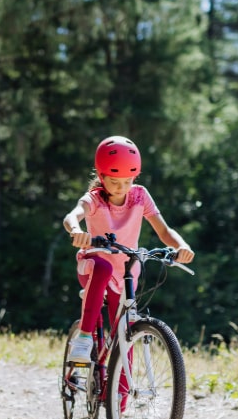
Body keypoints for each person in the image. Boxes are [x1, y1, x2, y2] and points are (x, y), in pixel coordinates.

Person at [62, 135, 194, 363]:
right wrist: (76, 231)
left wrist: (181, 246)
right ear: (101, 176)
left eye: (128, 181)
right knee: (101, 267)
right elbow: (72, 216)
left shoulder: (140, 195)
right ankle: (84, 338)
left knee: (125, 331)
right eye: (115, 182)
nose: (122, 188)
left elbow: (164, 231)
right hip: (93, 265)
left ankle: (120, 397)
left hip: (124, 274)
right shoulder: (95, 199)